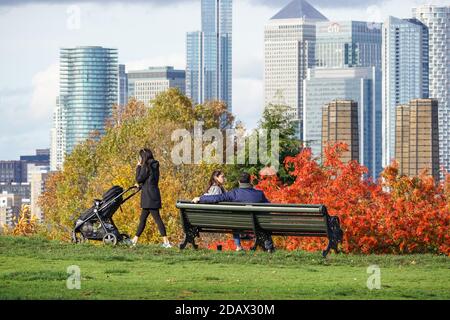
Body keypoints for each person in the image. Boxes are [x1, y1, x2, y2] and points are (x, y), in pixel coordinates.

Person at [192, 172, 274, 252]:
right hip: (257, 223)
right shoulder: (259, 194)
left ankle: (240, 246)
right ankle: (269, 247)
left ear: (239, 182)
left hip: (238, 223)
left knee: (237, 220)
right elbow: (269, 207)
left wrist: (201, 198)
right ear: (250, 181)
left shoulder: (234, 193)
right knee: (263, 221)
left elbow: (217, 198)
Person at [131, 148, 171, 248]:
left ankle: (166, 242)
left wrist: (138, 166)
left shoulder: (146, 166)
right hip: (154, 194)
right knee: (143, 219)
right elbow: (150, 180)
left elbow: (139, 178)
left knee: (156, 219)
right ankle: (134, 240)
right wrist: (140, 186)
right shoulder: (155, 165)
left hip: (148, 197)